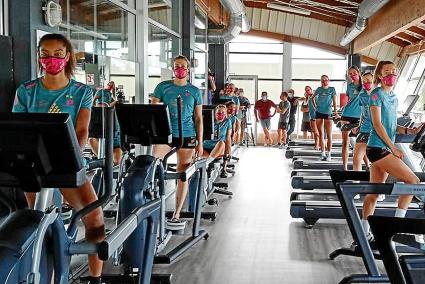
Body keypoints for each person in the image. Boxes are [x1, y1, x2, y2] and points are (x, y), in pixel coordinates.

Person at [12, 33, 104, 284]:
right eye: (45, 54)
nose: (50, 59)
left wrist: (70, 158)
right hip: (34, 166)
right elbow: (18, 128)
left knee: (95, 219)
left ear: (68, 56)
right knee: (38, 221)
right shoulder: (26, 91)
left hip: (67, 163)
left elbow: (82, 131)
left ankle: (95, 278)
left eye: (57, 54)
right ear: (39, 56)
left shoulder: (82, 91)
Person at [361, 61, 421, 241]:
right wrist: (393, 148)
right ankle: (397, 226)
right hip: (377, 148)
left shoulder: (394, 97)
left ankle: (364, 233)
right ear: (379, 75)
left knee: (374, 193)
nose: (392, 74)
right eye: (387, 72)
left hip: (383, 149)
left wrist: (410, 131)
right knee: (413, 181)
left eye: (394, 71)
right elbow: (378, 125)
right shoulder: (376, 95)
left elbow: (392, 126)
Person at [151, 55, 203, 230]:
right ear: (173, 68)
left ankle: (177, 213)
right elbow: (153, 111)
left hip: (187, 134)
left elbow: (198, 119)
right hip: (166, 134)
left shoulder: (195, 91)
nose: (180, 68)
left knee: (182, 172)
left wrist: (200, 143)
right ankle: (152, 205)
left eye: (183, 66)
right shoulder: (162, 87)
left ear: (188, 69)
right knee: (154, 164)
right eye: (177, 65)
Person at [89, 81, 123, 166]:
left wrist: (114, 92)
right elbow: (94, 100)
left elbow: (114, 101)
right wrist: (94, 108)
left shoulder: (110, 93)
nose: (111, 86)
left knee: (117, 161)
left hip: (108, 110)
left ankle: (107, 162)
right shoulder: (101, 91)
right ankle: (101, 160)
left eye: (112, 86)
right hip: (99, 110)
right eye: (110, 85)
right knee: (92, 140)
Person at [340, 66, 362, 170]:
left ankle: (366, 166)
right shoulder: (349, 86)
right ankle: (344, 168)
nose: (352, 75)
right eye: (350, 74)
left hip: (359, 117)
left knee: (362, 143)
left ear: (359, 72)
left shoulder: (366, 85)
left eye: (354, 73)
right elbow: (349, 100)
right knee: (345, 143)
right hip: (347, 114)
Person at [352, 72, 374, 171]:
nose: (366, 83)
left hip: (377, 131)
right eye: (364, 81)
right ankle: (356, 184)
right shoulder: (362, 95)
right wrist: (359, 125)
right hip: (364, 129)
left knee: (376, 162)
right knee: (356, 159)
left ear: (374, 81)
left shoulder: (379, 94)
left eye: (369, 81)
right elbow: (363, 113)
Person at [314, 75, 339, 161]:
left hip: (328, 112)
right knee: (321, 134)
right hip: (319, 112)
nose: (324, 81)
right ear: (321, 81)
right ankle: (323, 153)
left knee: (329, 134)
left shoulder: (332, 89)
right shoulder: (319, 89)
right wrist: (315, 106)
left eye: (326, 80)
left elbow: (335, 101)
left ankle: (329, 153)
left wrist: (335, 111)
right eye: (322, 80)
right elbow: (312, 98)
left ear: (328, 80)